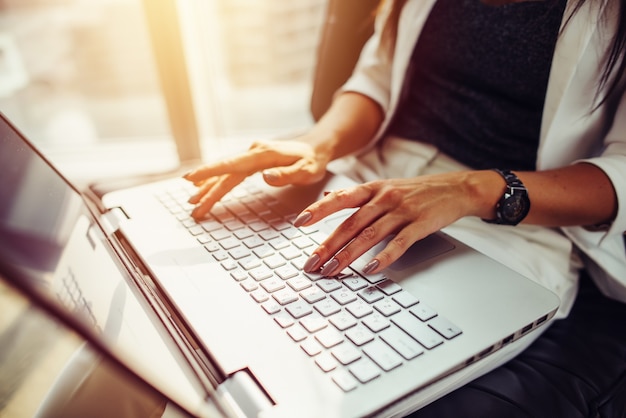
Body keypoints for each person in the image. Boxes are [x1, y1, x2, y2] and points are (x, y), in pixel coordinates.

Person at [182, 0, 626, 413]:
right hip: (371, 175)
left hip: (510, 215)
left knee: (355, 369)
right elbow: (374, 80)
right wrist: (317, 144)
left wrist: (471, 189)